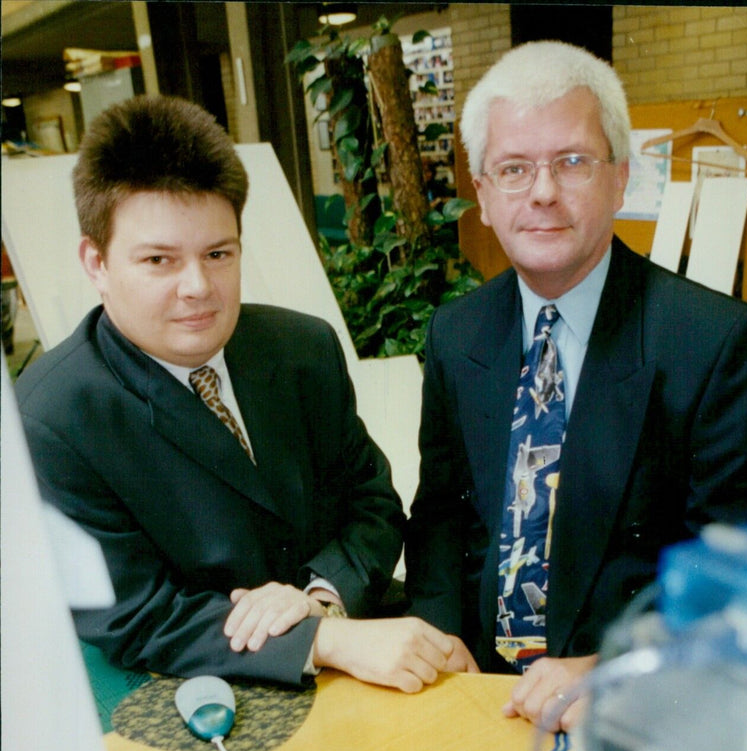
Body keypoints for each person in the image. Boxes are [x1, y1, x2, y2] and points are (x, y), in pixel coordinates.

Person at [17, 94, 466, 694]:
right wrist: (319, 642)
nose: (198, 286)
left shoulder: (303, 348)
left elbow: (372, 502)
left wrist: (323, 604)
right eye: (159, 260)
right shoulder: (51, 418)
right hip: (204, 689)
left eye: (217, 254)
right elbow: (134, 613)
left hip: (363, 633)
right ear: (95, 261)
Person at [404, 40, 747, 730]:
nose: (544, 192)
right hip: (473, 695)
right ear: (485, 196)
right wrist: (439, 642)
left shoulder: (715, 343)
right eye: (514, 169)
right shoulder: (456, 334)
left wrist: (620, 667)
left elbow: (745, 583)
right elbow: (441, 514)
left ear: (620, 177)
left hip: (624, 711)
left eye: (572, 162)